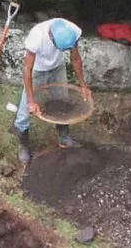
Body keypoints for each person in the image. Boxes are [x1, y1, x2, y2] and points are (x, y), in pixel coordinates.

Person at [14, 18, 91, 164]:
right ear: (51, 37)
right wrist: (31, 101)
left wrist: (83, 86)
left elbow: (76, 59)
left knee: (62, 103)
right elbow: (27, 69)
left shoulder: (72, 30)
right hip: (37, 71)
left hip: (57, 68)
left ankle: (64, 138)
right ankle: (23, 146)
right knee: (25, 111)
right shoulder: (36, 36)